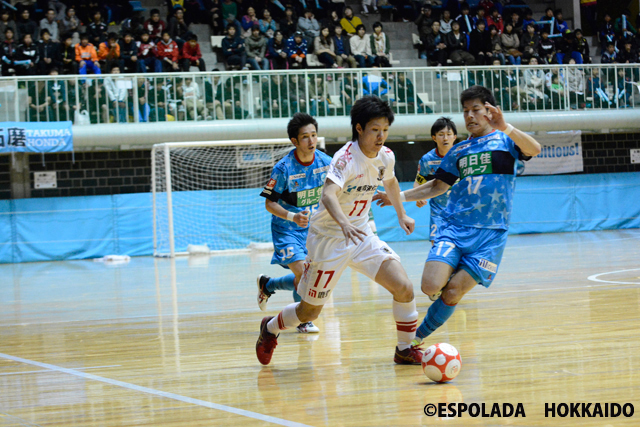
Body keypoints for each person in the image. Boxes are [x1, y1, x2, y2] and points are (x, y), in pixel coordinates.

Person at [256, 96, 423, 366]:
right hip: (328, 239)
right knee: (309, 312)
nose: (381, 136)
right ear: (359, 128)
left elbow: (390, 182)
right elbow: (328, 195)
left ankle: (405, 349)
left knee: (404, 287)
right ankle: (270, 327)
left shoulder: (386, 156)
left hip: (361, 235)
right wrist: (344, 223)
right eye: (375, 130)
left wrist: (401, 213)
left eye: (385, 130)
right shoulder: (344, 159)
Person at [373, 85, 541, 346]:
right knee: (430, 286)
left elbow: (535, 149)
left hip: (491, 237)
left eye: (476, 109)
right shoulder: (458, 151)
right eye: (465, 111)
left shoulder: (506, 141)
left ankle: (415, 340)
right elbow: (437, 186)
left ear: (490, 111)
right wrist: (398, 197)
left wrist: (506, 127)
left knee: (452, 292)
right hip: (455, 228)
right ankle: (454, 273)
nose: (469, 115)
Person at [256, 113, 332, 334]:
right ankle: (303, 320)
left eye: (314, 135)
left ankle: (268, 285)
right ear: (294, 141)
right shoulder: (283, 168)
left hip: (313, 230)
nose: (311, 141)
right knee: (306, 276)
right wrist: (292, 216)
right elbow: (269, 204)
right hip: (286, 229)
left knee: (308, 276)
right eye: (305, 137)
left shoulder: (326, 163)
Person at [413, 118, 457, 244]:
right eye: (441, 134)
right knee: (436, 246)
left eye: (449, 134)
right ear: (434, 138)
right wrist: (418, 197)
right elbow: (418, 182)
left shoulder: (461, 156)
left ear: (454, 137)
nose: (445, 138)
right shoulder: (427, 159)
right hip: (439, 212)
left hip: (461, 211)